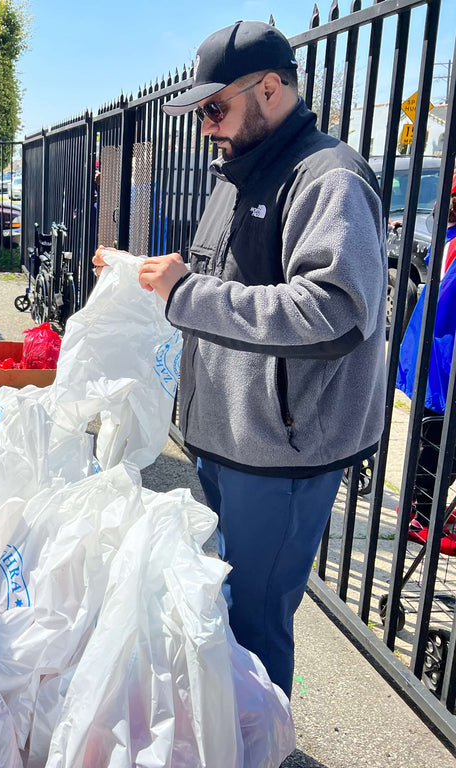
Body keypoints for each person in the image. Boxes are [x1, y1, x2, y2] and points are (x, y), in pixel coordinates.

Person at [95, 20, 386, 697]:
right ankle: (238, 726)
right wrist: (146, 276)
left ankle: (262, 736)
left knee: (256, 618)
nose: (206, 126)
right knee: (232, 602)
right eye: (201, 112)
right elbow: (218, 288)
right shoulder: (237, 173)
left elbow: (335, 312)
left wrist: (185, 292)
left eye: (215, 108)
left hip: (281, 452)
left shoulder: (330, 178)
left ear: (272, 89)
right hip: (228, 438)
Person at [397, 168, 456, 523]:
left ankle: (421, 509)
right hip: (442, 356)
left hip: (435, 352)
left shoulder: (447, 237)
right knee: (439, 440)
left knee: (435, 435)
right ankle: (421, 514)